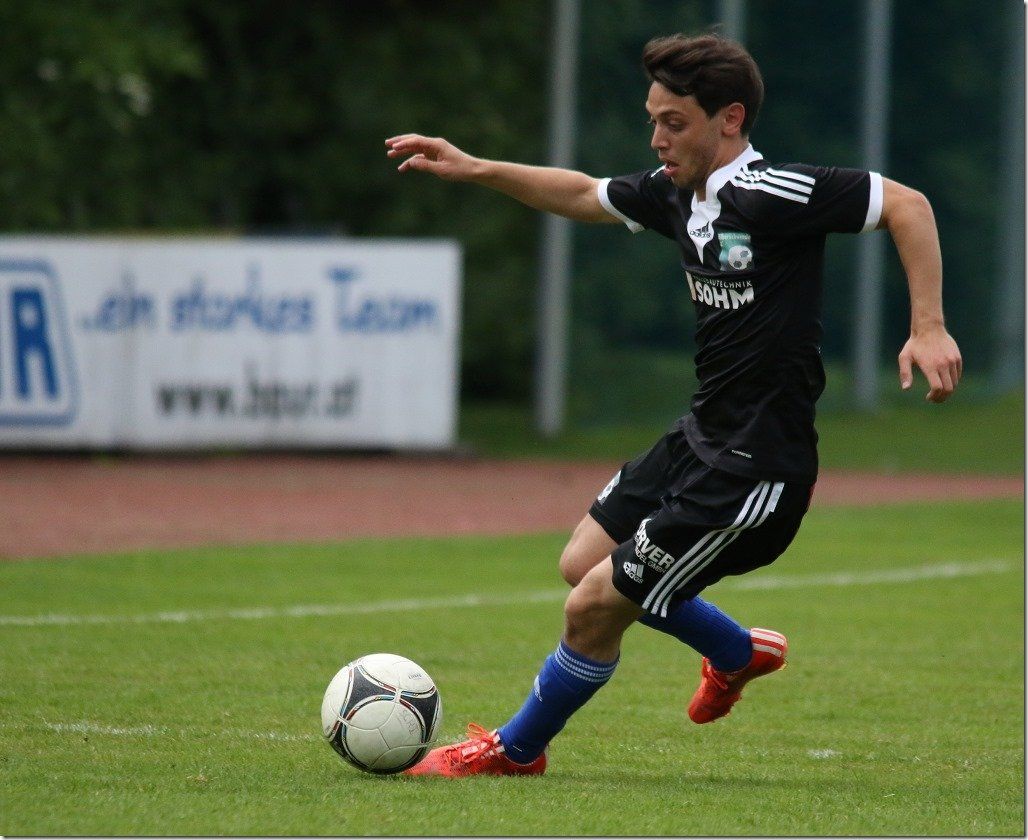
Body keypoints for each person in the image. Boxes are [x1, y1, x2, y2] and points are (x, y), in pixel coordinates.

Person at [385, 32, 962, 777]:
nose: (657, 139)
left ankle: (515, 750)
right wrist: (476, 167)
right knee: (582, 563)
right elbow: (582, 193)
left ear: (730, 119)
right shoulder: (676, 194)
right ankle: (734, 650)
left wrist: (928, 326)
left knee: (594, 607)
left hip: (755, 468)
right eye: (653, 120)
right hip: (699, 437)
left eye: (674, 123)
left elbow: (909, 205)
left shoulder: (776, 192)